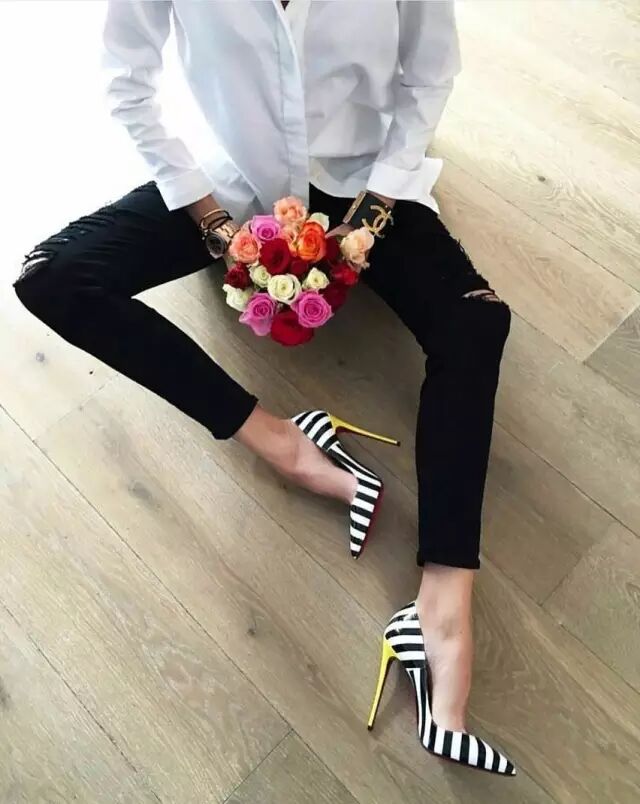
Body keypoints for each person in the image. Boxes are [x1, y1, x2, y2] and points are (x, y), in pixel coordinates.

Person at [14, 0, 514, 775]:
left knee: (476, 325)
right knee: (53, 278)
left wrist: (374, 211)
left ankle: (443, 608)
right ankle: (282, 442)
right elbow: (125, 78)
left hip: (359, 180)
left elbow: (428, 72)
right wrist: (212, 220)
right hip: (233, 184)